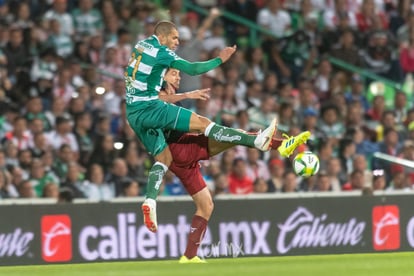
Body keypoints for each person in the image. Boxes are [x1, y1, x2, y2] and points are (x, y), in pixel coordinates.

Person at [124, 20, 309, 234]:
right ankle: (259, 141)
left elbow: (145, 80)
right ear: (163, 35)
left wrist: (182, 94)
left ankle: (150, 201)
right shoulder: (162, 53)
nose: (177, 41)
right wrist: (220, 59)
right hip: (152, 110)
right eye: (175, 37)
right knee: (204, 124)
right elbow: (194, 69)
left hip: (133, 113)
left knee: (163, 159)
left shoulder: (140, 46)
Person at [159, 68, 309, 263]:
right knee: (226, 133)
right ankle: (276, 145)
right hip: (181, 148)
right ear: (162, 77)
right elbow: (158, 101)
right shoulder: (157, 94)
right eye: (173, 73)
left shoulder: (169, 97)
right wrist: (187, 95)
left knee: (206, 205)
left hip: (180, 156)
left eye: (179, 73)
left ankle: (189, 256)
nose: (178, 76)